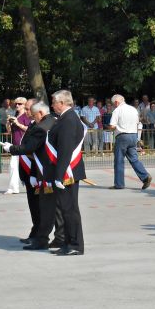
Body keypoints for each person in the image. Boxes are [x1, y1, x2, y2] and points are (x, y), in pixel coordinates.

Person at [3, 100, 65, 250]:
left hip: (45, 172)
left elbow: (30, 148)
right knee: (54, 208)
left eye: (34, 114)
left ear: (41, 113)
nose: (33, 118)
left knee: (46, 207)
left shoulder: (42, 126)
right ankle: (59, 237)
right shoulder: (54, 122)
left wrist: (11, 148)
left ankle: (42, 239)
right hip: (49, 170)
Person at [45, 90, 87, 255]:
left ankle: (75, 245)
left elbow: (65, 149)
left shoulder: (68, 119)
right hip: (65, 172)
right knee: (66, 209)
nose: (52, 105)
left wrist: (59, 174)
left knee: (70, 210)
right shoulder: (65, 118)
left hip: (67, 173)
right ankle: (69, 243)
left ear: (62, 103)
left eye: (54, 102)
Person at [107, 94, 152, 190]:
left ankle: (119, 184)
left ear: (116, 102)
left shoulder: (117, 110)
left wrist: (109, 128)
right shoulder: (133, 109)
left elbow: (112, 126)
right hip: (133, 136)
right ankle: (145, 176)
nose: (113, 105)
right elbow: (137, 122)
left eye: (113, 104)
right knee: (134, 159)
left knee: (119, 160)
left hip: (122, 136)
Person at [4, 97, 29, 194]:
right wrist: (8, 123)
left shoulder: (27, 116)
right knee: (13, 166)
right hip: (16, 145)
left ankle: (35, 184)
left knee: (28, 166)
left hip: (25, 145)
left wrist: (18, 124)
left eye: (20, 104)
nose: (17, 105)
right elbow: (9, 131)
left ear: (24, 105)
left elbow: (29, 129)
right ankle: (13, 188)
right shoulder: (15, 115)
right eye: (16, 104)